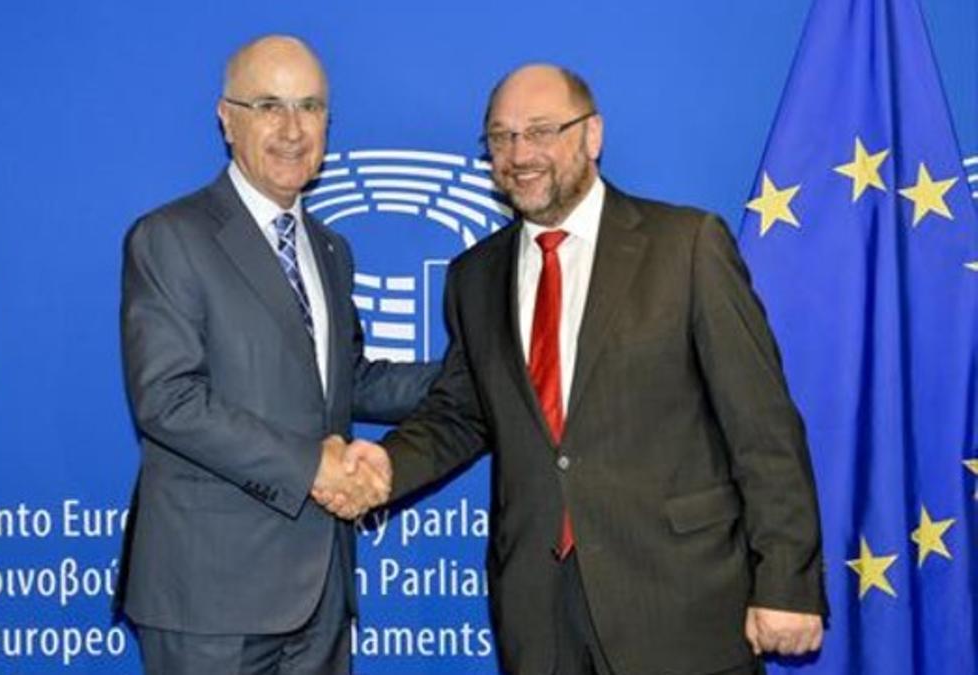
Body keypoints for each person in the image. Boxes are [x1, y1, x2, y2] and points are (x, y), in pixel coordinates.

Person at [332, 64, 827, 675]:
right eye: (500, 136)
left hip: (679, 603)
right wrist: (387, 465)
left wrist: (786, 582)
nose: (519, 154)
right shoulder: (474, 277)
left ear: (592, 136)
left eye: (541, 131)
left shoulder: (686, 246)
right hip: (539, 614)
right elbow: (462, 412)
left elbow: (763, 428)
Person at [117, 35, 437, 675]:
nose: (293, 129)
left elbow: (350, 382)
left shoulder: (329, 249)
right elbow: (168, 401)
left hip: (321, 592)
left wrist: (486, 372)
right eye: (269, 105)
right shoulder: (170, 238)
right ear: (226, 118)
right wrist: (310, 469)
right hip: (210, 598)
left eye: (311, 107)